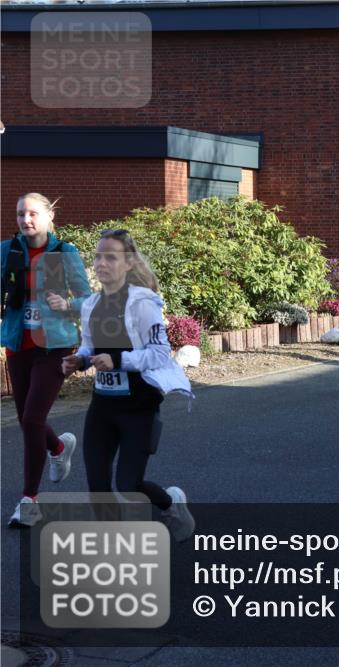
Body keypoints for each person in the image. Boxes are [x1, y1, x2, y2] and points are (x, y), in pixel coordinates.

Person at [62, 229, 195, 541]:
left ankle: (171, 504)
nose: (102, 263)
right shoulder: (91, 304)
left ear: (128, 263)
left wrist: (118, 360)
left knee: (129, 485)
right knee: (98, 484)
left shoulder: (143, 304)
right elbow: (89, 348)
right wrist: (77, 361)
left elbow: (160, 353)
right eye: (98, 256)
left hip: (139, 407)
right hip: (103, 406)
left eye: (111, 257)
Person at [2, 193, 92, 527]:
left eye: (32, 213)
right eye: (20, 214)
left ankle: (29, 500)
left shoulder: (64, 253)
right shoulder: (6, 250)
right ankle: (57, 448)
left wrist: (67, 305)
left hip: (55, 346)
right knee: (28, 420)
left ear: (48, 216)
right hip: (18, 346)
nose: (26, 220)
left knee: (33, 418)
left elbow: (87, 299)